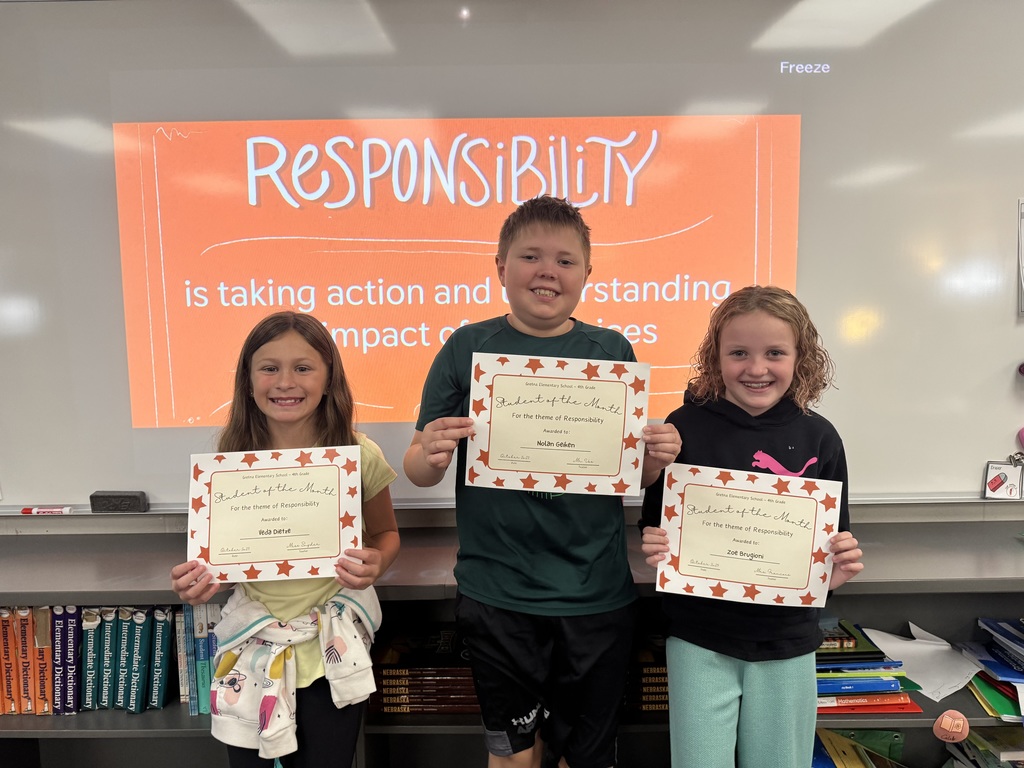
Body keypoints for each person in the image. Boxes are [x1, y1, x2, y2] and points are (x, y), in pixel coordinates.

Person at [403, 195, 681, 768]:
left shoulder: (611, 352)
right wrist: (430, 454)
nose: (547, 271)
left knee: (586, 755)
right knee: (512, 755)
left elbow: (632, 476)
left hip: (595, 595)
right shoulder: (465, 347)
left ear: (587, 273)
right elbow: (418, 467)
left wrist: (657, 458)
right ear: (501, 266)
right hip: (498, 593)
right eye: (530, 256)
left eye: (565, 260)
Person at [639, 285, 864, 768]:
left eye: (775, 353)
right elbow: (656, 524)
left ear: (800, 358)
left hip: (786, 641)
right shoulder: (684, 427)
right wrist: (656, 544)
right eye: (738, 352)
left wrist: (832, 574)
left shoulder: (820, 437)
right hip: (699, 638)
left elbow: (830, 543)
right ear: (715, 357)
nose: (756, 368)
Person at [170, 310, 400, 768]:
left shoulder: (359, 454)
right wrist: (197, 580)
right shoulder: (228, 458)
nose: (285, 382)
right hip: (251, 650)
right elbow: (217, 557)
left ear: (328, 376)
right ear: (249, 379)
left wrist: (378, 562)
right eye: (269, 367)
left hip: (331, 650)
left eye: (303, 367)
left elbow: (386, 534)